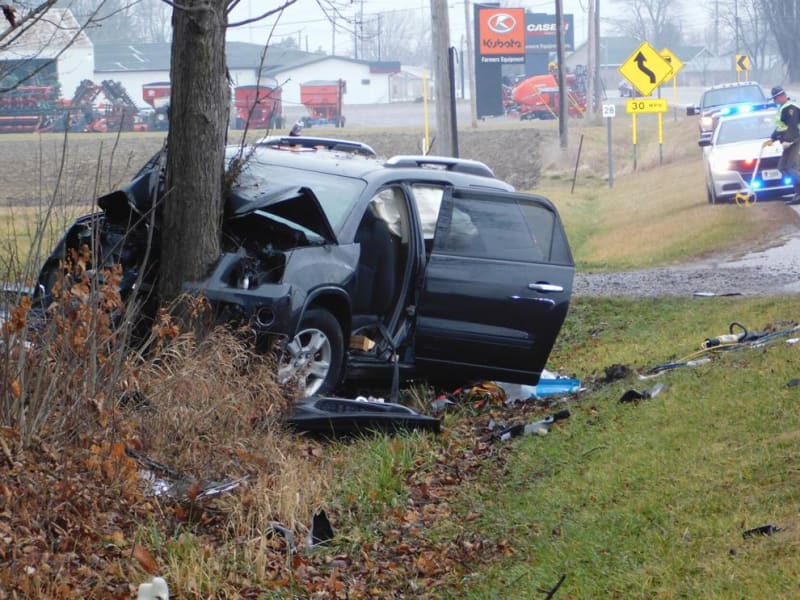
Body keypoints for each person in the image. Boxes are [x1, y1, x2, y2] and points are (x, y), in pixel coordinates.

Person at [767, 86, 800, 205]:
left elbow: (792, 126)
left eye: (775, 98)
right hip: (786, 142)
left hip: (793, 141)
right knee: (782, 167)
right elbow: (781, 127)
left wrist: (788, 140)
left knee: (791, 167)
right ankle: (798, 192)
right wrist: (772, 138)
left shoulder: (791, 108)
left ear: (782, 96)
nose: (774, 101)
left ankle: (799, 193)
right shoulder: (782, 108)